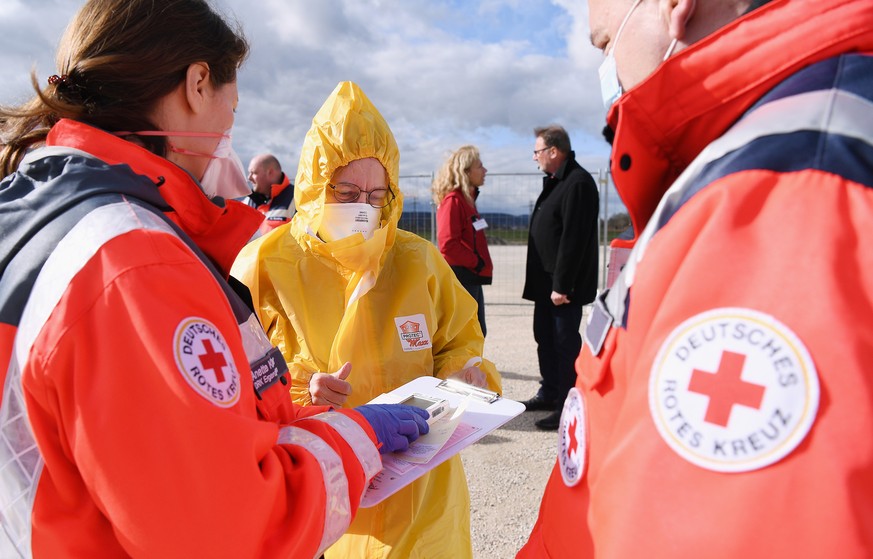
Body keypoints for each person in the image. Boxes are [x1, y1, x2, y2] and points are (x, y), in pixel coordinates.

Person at [0, 2, 430, 557]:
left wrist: (301, 415)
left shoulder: (34, 211)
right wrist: (359, 437)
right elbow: (231, 532)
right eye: (234, 103)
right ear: (198, 84)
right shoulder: (135, 260)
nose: (231, 126)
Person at [520, 0, 873, 557]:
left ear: (674, 8)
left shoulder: (781, 192)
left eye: (605, 42)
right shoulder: (755, 151)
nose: (607, 66)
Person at [232, 81, 502, 559]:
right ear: (317, 185)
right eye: (347, 190)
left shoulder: (418, 260)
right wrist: (304, 394)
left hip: (424, 495)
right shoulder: (263, 264)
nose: (364, 206)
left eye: (377, 194)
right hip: (325, 487)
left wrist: (466, 373)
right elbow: (237, 389)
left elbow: (461, 338)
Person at [520, 125, 599, 431]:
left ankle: (567, 403)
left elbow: (574, 239)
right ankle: (550, 391)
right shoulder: (556, 182)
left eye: (537, 151)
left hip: (562, 288)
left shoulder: (577, 182)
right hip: (547, 286)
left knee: (564, 343)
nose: (535, 157)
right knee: (545, 338)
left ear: (554, 151)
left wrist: (562, 285)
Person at [432, 145, 493, 336]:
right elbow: (448, 245)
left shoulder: (467, 201)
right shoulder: (453, 201)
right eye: (480, 166)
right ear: (466, 171)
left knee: (476, 330)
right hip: (462, 276)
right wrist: (476, 262)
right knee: (466, 333)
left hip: (471, 275)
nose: (485, 171)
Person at [245, 152, 295, 239]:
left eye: (254, 173)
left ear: (270, 172)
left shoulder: (297, 199)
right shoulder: (247, 202)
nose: (249, 178)